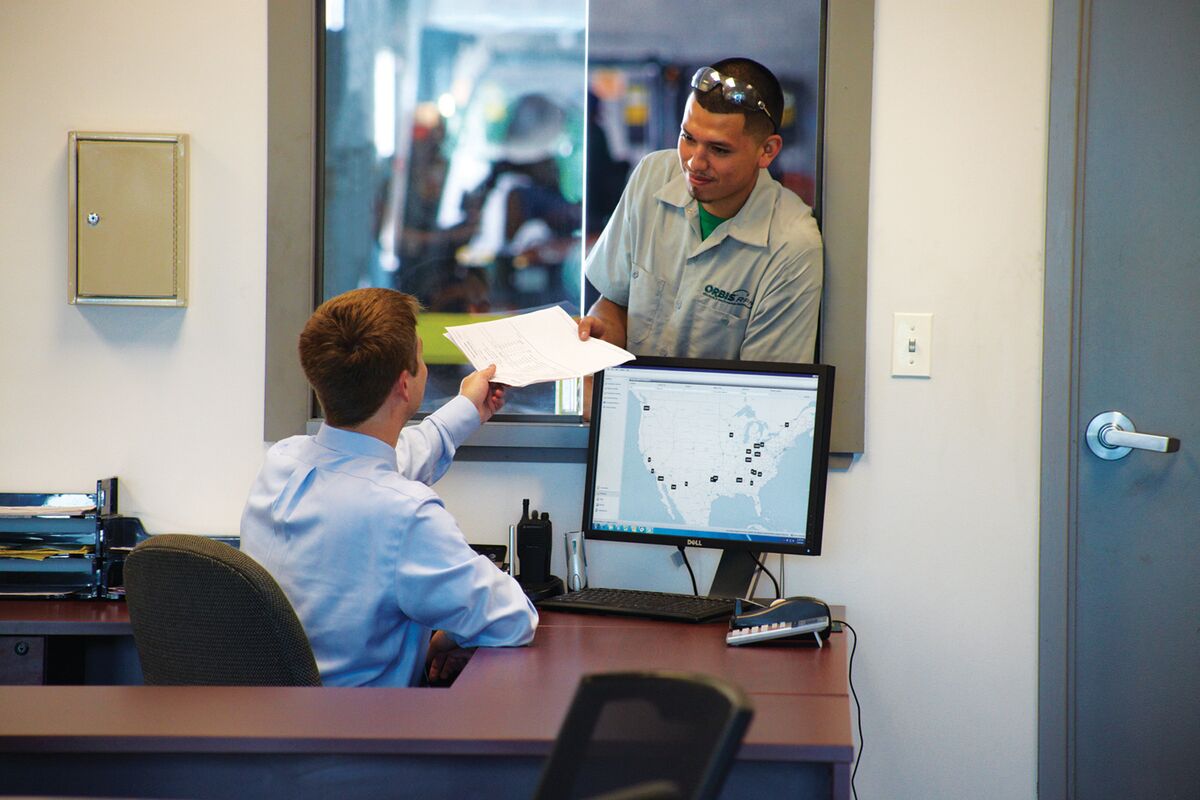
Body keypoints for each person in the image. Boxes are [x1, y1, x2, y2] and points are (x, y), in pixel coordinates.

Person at [240, 288, 537, 687]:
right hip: (369, 739)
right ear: (404, 384)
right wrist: (448, 636)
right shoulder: (405, 515)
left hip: (278, 728)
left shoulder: (282, 463)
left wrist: (466, 409)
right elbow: (512, 619)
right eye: (420, 355)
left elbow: (374, 465)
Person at [578, 58, 823, 363]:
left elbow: (762, 395)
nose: (695, 163)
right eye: (688, 138)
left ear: (767, 150)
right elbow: (614, 303)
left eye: (719, 150)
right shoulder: (652, 175)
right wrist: (600, 338)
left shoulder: (792, 247)